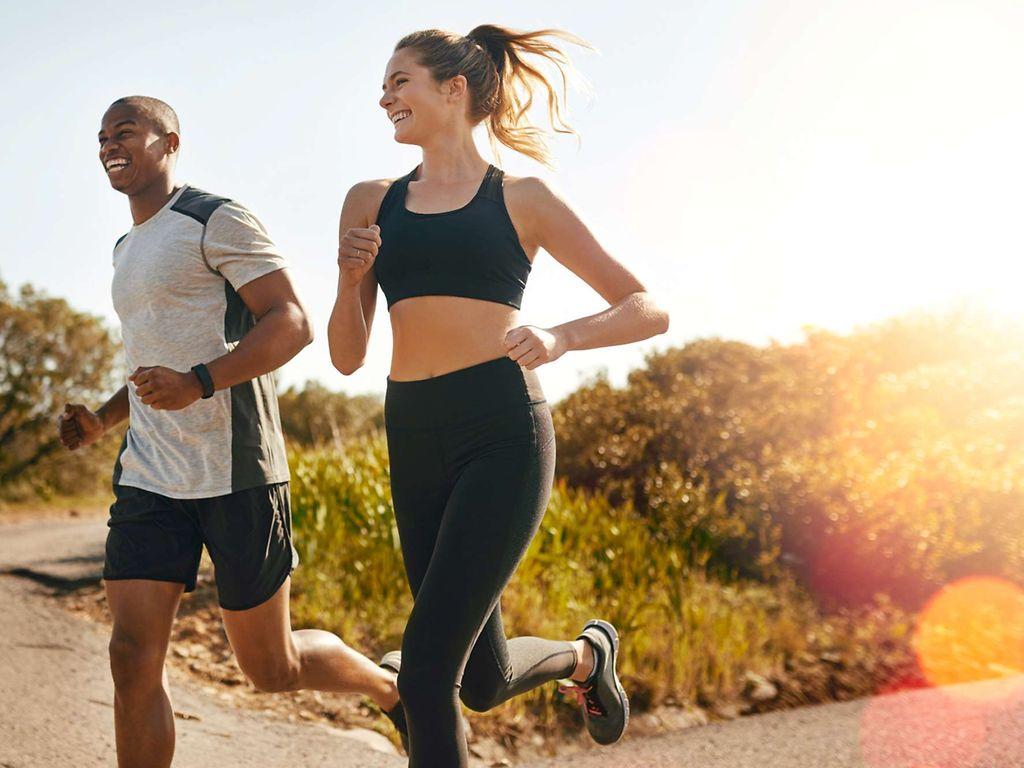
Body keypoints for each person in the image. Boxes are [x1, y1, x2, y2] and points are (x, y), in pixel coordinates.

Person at [328, 25, 670, 766]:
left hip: (501, 431)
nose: (384, 96)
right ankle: (588, 657)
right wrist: (352, 279)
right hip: (413, 432)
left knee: (423, 674)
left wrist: (561, 338)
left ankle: (579, 659)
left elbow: (646, 307)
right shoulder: (369, 200)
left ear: (454, 90)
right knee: (480, 680)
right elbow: (348, 356)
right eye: (384, 85)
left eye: (400, 81)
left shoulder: (522, 198)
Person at [59, 95, 401, 768]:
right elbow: (147, 362)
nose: (109, 144)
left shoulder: (215, 218)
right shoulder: (126, 247)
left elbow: (291, 322)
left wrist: (201, 382)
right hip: (151, 474)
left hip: (237, 471)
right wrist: (102, 420)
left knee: (270, 669)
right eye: (101, 137)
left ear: (169, 141)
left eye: (125, 131)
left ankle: (392, 690)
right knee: (131, 658)